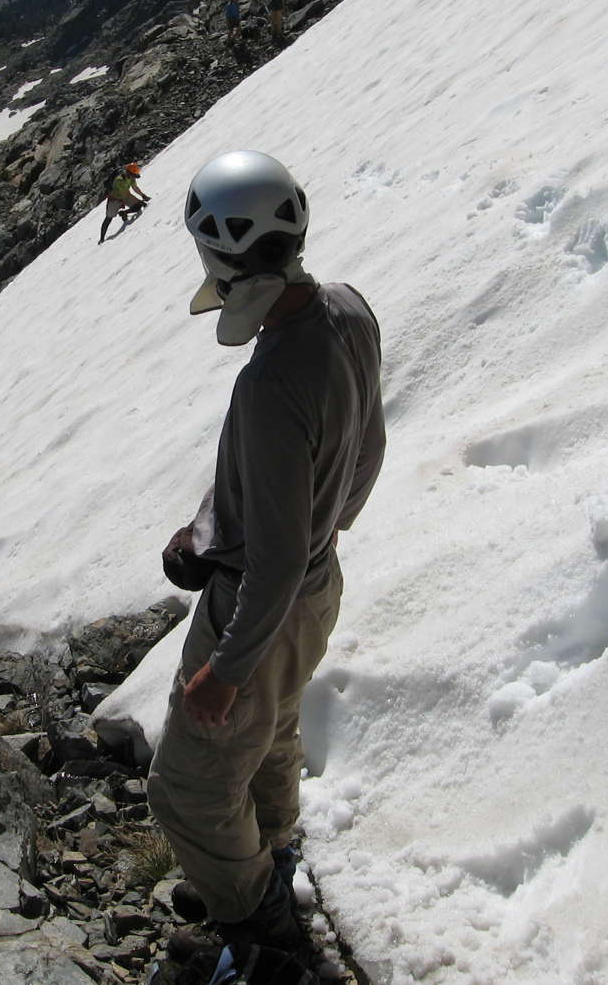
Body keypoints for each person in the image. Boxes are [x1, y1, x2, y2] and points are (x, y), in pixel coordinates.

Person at [147, 150, 386, 956]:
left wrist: (226, 667)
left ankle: (260, 927)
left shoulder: (268, 384)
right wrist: (309, 525)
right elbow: (368, 449)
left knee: (186, 788)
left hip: (259, 606)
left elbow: (275, 561)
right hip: (315, 589)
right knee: (271, 733)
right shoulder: (348, 309)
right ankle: (270, 854)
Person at [98, 162, 151, 244]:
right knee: (108, 218)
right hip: (115, 199)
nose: (135, 176)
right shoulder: (120, 180)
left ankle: (124, 213)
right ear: (130, 173)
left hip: (124, 196)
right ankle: (102, 238)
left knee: (138, 206)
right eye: (134, 174)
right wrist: (141, 201)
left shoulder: (131, 177)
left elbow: (134, 187)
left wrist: (143, 195)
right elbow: (126, 193)